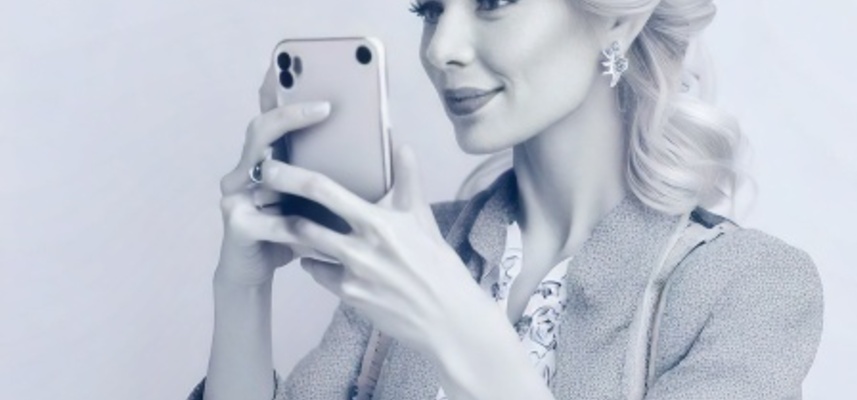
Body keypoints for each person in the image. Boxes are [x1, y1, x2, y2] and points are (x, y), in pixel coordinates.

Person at [190, 0, 824, 399]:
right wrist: (241, 292)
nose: (439, 49)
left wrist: (461, 330)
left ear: (618, 18)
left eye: (492, 2)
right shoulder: (418, 248)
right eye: (429, 8)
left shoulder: (752, 287)